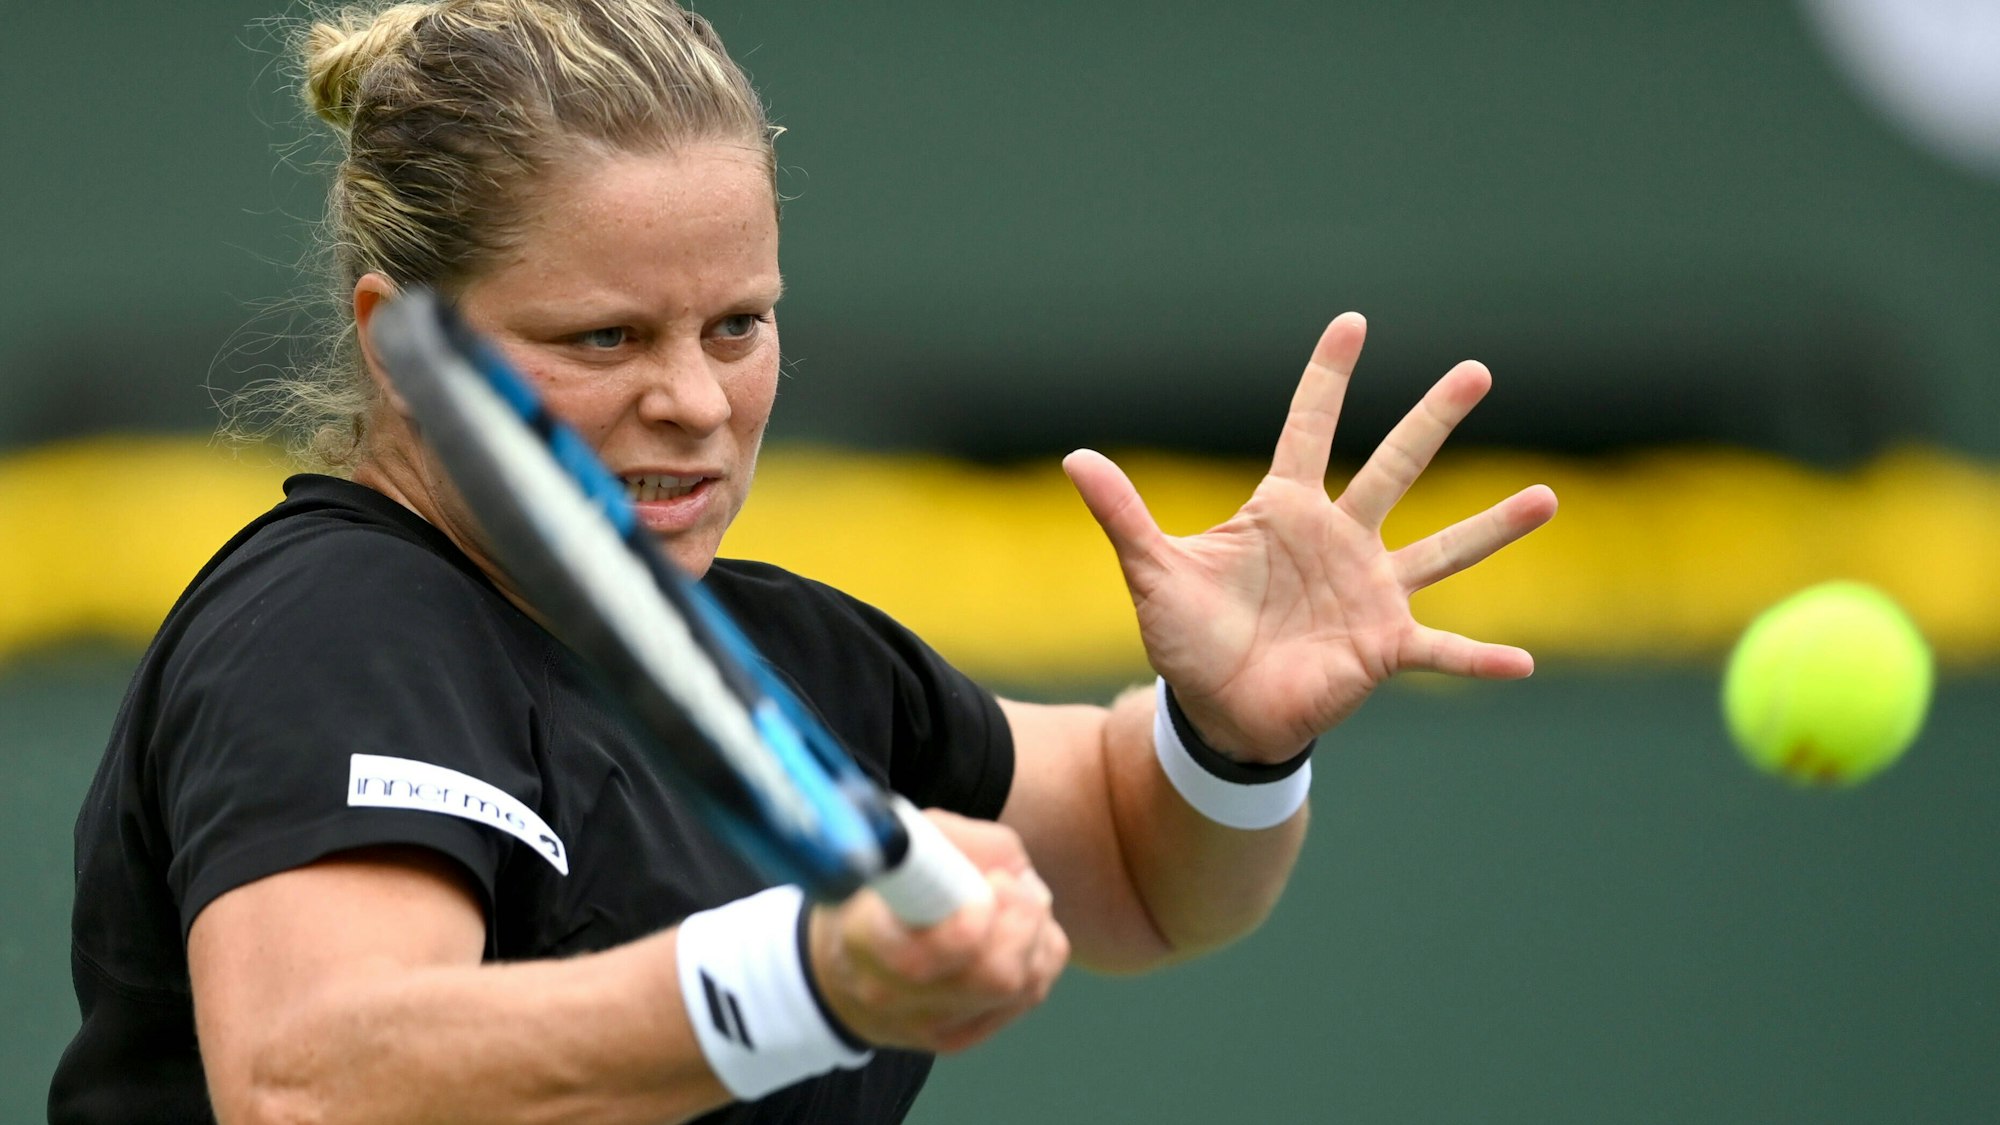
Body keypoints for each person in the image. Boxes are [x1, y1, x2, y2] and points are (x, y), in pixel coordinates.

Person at [49, 2, 1558, 1122]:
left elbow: (1140, 868)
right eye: (604, 337)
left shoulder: (786, 656)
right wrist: (800, 982)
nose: (694, 400)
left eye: (736, 325)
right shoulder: (334, 626)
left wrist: (1229, 738)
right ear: (406, 347)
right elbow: (318, 1088)